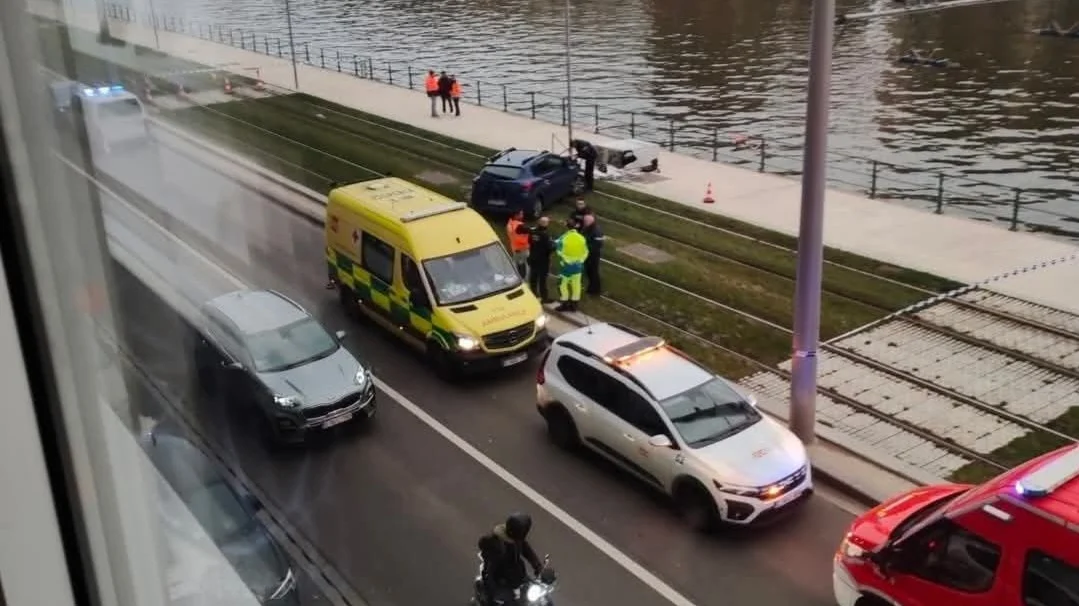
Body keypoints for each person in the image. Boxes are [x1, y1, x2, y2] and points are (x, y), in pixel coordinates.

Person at [478, 513, 544, 605]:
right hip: (501, 581)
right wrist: (495, 593)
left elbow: (527, 551)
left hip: (517, 576)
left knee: (543, 598)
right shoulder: (497, 547)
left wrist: (538, 567)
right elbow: (488, 571)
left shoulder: (516, 539)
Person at [518, 216, 554, 302]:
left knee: (533, 277)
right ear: (546, 225)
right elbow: (549, 248)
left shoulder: (533, 232)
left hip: (533, 257)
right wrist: (554, 245)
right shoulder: (545, 235)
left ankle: (534, 294)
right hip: (543, 260)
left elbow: (530, 241)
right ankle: (544, 298)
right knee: (542, 280)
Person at [555, 219, 588, 312]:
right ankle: (574, 305)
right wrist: (580, 261)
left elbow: (559, 252)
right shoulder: (581, 238)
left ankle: (564, 304)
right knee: (576, 285)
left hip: (566, 267)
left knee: (562, 285)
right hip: (578, 267)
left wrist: (567, 261)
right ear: (576, 226)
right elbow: (585, 252)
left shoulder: (563, 238)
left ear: (566, 226)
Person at [580, 213, 605, 296]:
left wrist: (586, 247)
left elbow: (598, 244)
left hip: (593, 255)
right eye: (584, 220)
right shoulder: (586, 228)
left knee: (593, 272)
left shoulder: (597, 231)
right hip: (587, 254)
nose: (585, 222)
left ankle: (596, 290)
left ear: (592, 220)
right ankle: (591, 288)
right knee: (589, 272)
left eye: (587, 220)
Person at [506, 210, 529, 279]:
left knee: (518, 263)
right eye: (521, 214)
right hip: (523, 249)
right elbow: (523, 239)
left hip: (514, 248)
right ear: (516, 215)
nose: (522, 215)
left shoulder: (509, 224)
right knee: (524, 265)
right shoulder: (519, 226)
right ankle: (524, 279)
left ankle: (518, 277)